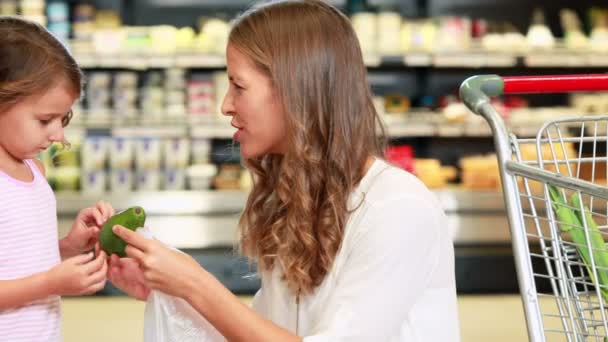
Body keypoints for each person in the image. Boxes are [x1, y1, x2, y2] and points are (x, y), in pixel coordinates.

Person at [108, 0, 461, 340]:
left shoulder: (396, 209)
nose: (225, 105)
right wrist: (174, 292)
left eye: (239, 86)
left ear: (295, 92)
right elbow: (261, 334)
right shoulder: (296, 199)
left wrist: (195, 285)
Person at [0, 17, 112, 341]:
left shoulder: (35, 171)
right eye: (45, 119)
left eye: (63, 119)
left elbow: (18, 263)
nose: (59, 135)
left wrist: (68, 247)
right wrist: (50, 284)